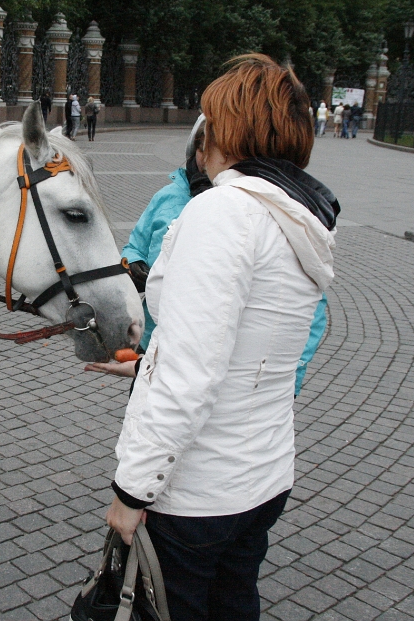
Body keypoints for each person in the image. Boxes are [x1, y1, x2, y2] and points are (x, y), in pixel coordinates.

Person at [98, 54, 338, 621]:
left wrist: (132, 491)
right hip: (263, 476)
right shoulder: (299, 218)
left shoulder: (223, 211)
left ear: (227, 132)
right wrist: (147, 363)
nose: (199, 138)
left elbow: (190, 373)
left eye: (208, 121)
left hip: (198, 489)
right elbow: (252, 346)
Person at [117, 114, 328, 396]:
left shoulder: (258, 214)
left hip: (220, 369)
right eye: (201, 148)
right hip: (154, 347)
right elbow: (135, 244)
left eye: (216, 148)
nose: (207, 159)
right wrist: (134, 263)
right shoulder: (169, 196)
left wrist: (292, 376)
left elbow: (308, 308)